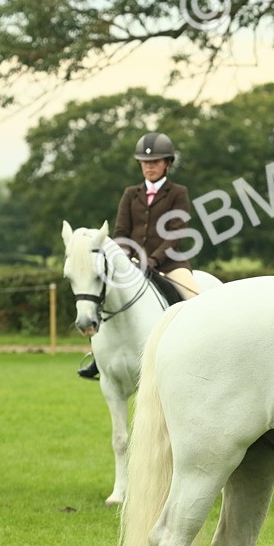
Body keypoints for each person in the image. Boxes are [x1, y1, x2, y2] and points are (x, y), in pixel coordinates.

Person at [77, 132, 200, 380]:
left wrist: (153, 260)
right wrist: (125, 259)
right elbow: (121, 231)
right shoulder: (130, 194)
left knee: (197, 300)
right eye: (145, 163)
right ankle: (98, 359)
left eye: (155, 162)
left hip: (170, 263)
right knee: (105, 298)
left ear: (167, 163)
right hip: (132, 265)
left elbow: (176, 232)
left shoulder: (178, 192)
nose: (150, 167)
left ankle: (200, 353)